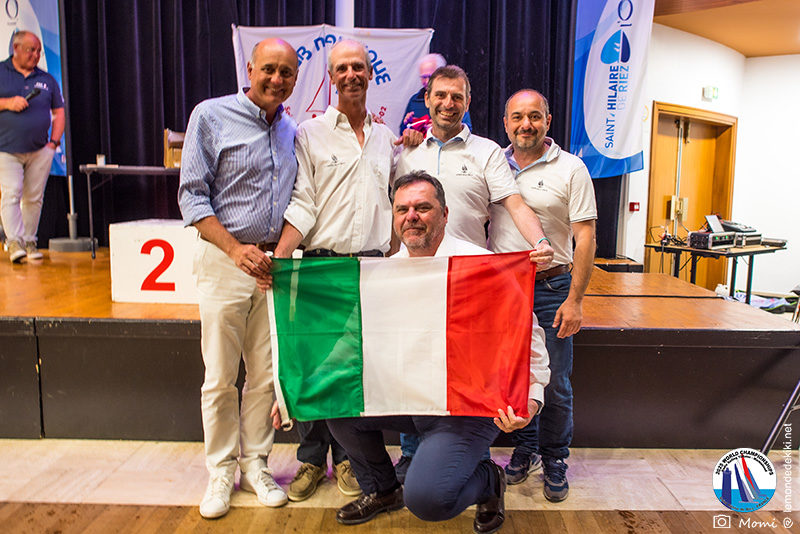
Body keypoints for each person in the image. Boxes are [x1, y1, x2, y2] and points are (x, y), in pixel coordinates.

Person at [295, 171, 549, 532]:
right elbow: (349, 341)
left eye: (422, 208)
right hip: (409, 398)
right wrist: (298, 389)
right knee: (335, 403)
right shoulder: (382, 274)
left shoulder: (483, 266)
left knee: (428, 500)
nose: (411, 216)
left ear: (444, 214)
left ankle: (489, 481)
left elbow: (529, 339)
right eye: (402, 209)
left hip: (464, 407)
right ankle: (383, 491)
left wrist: (532, 400)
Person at [271, 39, 418, 503]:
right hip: (322, 265)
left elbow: (394, 201)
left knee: (355, 368)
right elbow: (303, 201)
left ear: (370, 74)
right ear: (331, 77)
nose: (351, 74)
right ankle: (312, 459)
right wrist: (281, 257)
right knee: (317, 366)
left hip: (371, 269)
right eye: (342, 68)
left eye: (359, 66)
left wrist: (396, 260)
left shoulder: (384, 138)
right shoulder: (309, 134)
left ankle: (351, 458)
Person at [393, 66, 554, 479]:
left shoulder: (487, 152)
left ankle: (473, 458)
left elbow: (514, 203)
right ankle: (412, 453)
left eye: (457, 97)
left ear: (468, 102)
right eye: (440, 95)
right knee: (413, 360)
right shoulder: (407, 152)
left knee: (469, 372)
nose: (448, 104)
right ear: (427, 100)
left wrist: (539, 241)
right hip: (415, 278)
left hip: (470, 281)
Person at [177, 37, 298, 519]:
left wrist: (273, 255)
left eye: (286, 72)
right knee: (221, 377)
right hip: (224, 261)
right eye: (269, 69)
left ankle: (256, 465)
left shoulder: (291, 129)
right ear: (249, 69)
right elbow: (191, 197)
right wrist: (234, 249)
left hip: (273, 268)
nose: (276, 79)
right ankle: (221, 471)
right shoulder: (210, 116)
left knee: (265, 377)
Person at [488, 89, 596, 502]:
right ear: (506, 123)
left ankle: (554, 458)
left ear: (548, 121)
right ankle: (526, 448)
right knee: (516, 377)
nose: (526, 125)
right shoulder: (493, 163)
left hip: (552, 288)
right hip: (504, 290)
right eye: (517, 117)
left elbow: (585, 237)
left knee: (555, 383)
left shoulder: (571, 168)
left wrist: (576, 300)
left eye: (534, 116)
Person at [0, 30, 64, 263]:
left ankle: (29, 241)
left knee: (34, 197)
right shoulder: (1, 72)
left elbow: (59, 112)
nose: (35, 55)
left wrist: (53, 143)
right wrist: (7, 103)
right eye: (30, 50)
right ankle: (14, 242)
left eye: (38, 51)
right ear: (16, 49)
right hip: (6, 149)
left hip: (40, 150)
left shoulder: (46, 79)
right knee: (12, 192)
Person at [400, 53, 471, 135]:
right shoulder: (414, 100)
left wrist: (441, 128)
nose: (427, 81)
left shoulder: (456, 101)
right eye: (424, 77)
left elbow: (467, 129)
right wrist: (408, 125)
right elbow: (402, 132)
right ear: (427, 99)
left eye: (430, 77)